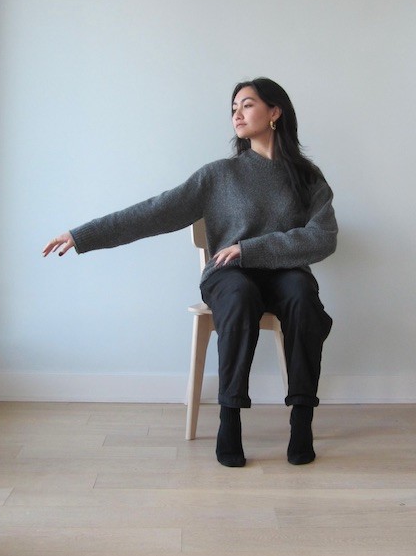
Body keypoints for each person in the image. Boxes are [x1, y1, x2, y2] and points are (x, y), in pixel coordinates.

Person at [42, 77, 336, 468]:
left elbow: (323, 238)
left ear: (275, 111)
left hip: (281, 273)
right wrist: (83, 235)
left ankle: (302, 418)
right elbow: (155, 212)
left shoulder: (307, 177)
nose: (237, 114)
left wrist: (251, 247)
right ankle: (229, 416)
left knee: (302, 293)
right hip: (229, 276)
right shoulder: (219, 175)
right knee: (239, 295)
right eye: (233, 108)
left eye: (247, 105)